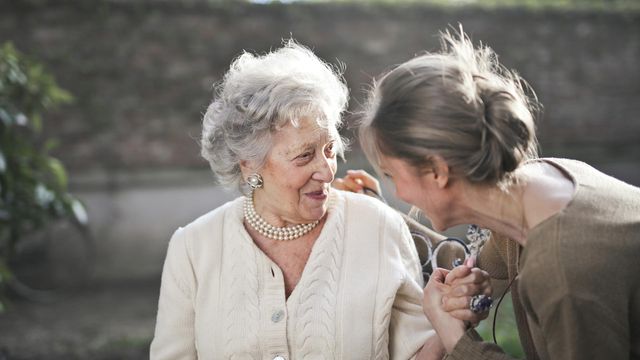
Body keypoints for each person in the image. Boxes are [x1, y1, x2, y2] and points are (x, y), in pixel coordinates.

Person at [149, 41, 491, 359]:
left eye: (329, 149)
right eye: (304, 156)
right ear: (249, 163)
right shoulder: (193, 248)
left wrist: (450, 316)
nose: (327, 171)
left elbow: (417, 353)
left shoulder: (377, 227)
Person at [352, 28, 640, 360]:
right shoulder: (539, 185)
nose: (398, 191)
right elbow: (485, 271)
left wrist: (454, 336)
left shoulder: (563, 274)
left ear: (437, 171)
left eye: (392, 174)